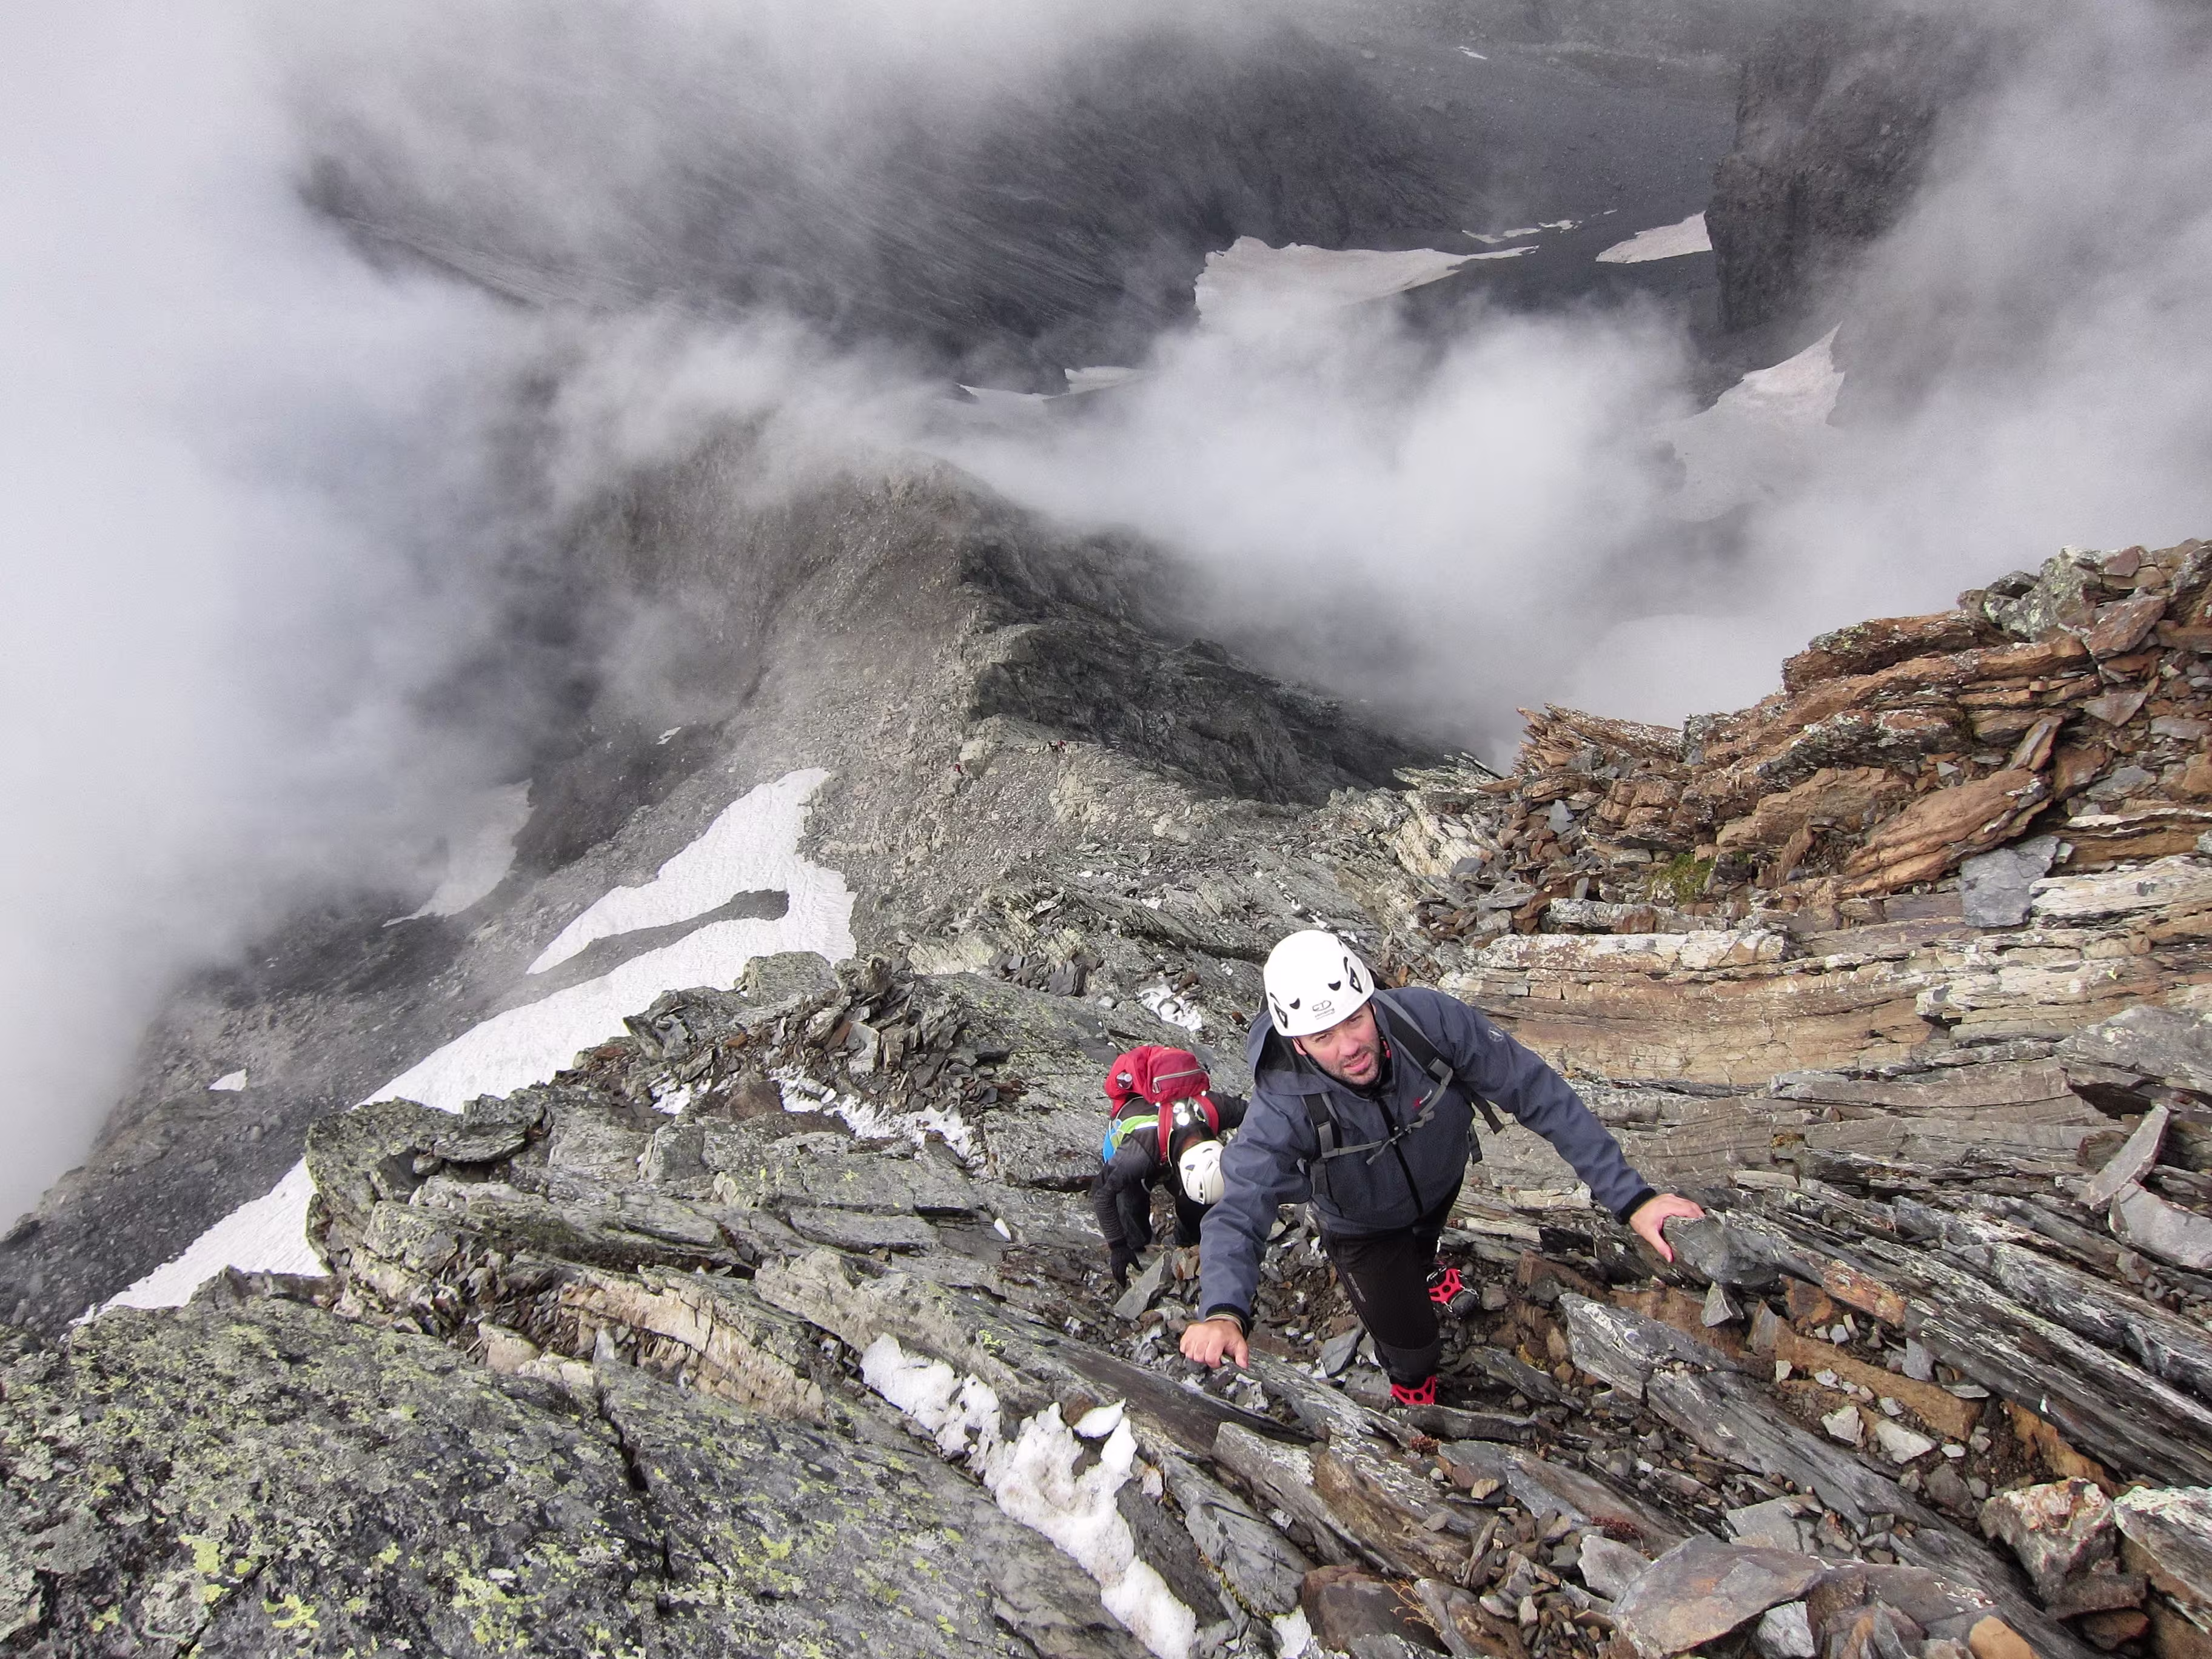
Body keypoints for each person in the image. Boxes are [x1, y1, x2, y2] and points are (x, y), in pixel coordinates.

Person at [1180, 929, 1705, 1406]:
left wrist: (1632, 1198)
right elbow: (1240, 1210)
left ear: (1369, 1000)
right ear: (1298, 1043)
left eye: (1355, 1020)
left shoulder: (1427, 1022)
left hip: (1438, 1184)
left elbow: (1536, 1091)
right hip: (1361, 1228)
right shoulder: (1281, 1109)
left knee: (1423, 1244)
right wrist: (1223, 1311)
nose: (1350, 1047)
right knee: (1414, 1351)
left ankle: (1425, 1269)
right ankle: (1415, 1395)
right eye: (1324, 1038)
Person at [1093, 1044, 1248, 1287]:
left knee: (1197, 1206)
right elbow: (1102, 1193)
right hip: (1137, 1149)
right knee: (1131, 1204)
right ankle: (1138, 1244)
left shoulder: (1216, 1108)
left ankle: (1187, 1242)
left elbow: (1257, 1117)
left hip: (1168, 1148)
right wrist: (1118, 1245)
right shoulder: (1137, 1153)